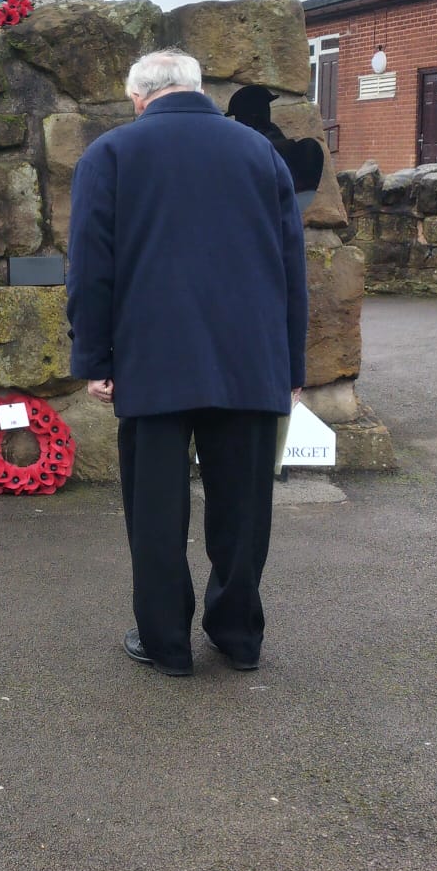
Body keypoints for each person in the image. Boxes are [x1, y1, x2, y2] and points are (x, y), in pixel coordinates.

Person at [66, 48, 308, 676]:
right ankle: (237, 636)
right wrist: (292, 368)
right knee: (244, 507)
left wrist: (95, 356)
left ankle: (166, 641)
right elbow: (291, 269)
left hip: (153, 359)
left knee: (155, 511)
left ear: (139, 98)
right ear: (197, 88)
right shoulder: (261, 153)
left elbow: (92, 267)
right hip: (251, 360)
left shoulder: (111, 154)